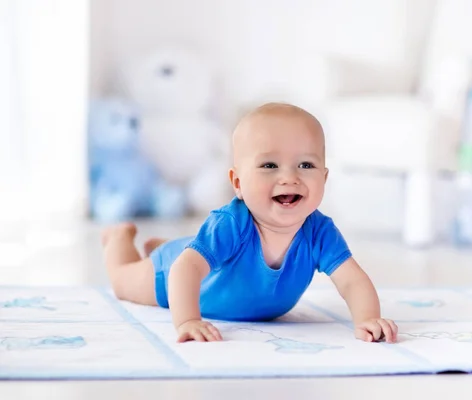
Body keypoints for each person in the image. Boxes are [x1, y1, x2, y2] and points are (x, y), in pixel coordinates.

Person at [102, 102, 398, 344]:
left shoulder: (320, 232)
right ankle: (119, 239)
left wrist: (368, 318)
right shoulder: (232, 223)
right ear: (238, 183)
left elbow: (351, 280)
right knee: (123, 282)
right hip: (170, 275)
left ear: (324, 177)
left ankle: (168, 245)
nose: (289, 177)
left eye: (306, 165)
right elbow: (185, 269)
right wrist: (188, 320)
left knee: (198, 252)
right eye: (270, 165)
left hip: (200, 261)